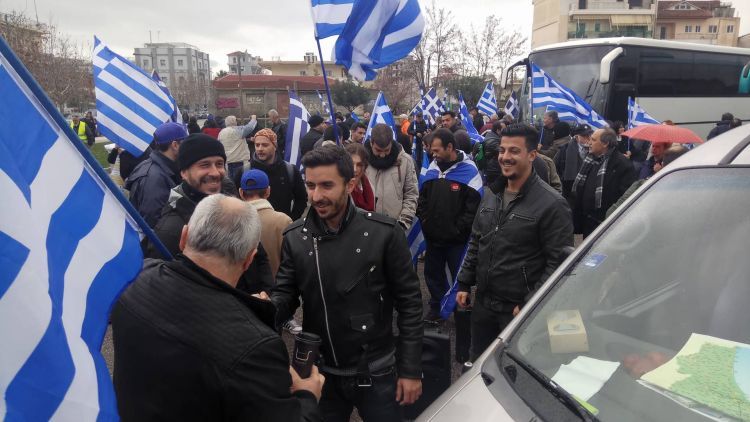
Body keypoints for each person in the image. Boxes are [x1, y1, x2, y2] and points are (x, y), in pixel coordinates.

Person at [112, 194, 324, 422]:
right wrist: (307, 395)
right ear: (249, 259)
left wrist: (246, 311)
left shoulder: (136, 278)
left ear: (184, 237)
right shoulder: (255, 345)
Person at [272, 145, 423, 421]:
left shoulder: (385, 233)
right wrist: (260, 310)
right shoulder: (295, 237)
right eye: (310, 186)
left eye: (327, 185)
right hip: (321, 373)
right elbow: (285, 295)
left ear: (350, 184)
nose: (317, 196)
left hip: (377, 370)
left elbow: (410, 304)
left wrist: (411, 369)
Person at [456, 123, 574, 360]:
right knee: (479, 363)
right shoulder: (491, 195)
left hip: (518, 311)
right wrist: (464, 283)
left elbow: (559, 263)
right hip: (484, 306)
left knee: (512, 370)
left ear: (532, 155)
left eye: (514, 151)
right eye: (502, 150)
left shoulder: (552, 204)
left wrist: (531, 304)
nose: (505, 157)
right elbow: (477, 241)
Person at [145, 133, 276, 295]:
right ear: (184, 172)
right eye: (204, 165)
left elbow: (258, 255)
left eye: (219, 164)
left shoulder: (231, 205)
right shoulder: (171, 229)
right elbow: (169, 293)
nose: (215, 172)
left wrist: (267, 296)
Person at [417, 128, 482, 321]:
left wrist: (458, 229)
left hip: (457, 241)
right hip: (433, 238)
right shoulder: (432, 169)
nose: (433, 154)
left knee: (460, 277)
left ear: (450, 147)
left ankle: (462, 310)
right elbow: (422, 200)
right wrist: (426, 222)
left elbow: (473, 208)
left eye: (437, 150)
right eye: (432, 150)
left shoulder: (469, 171)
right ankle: (436, 307)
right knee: (433, 274)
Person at [571, 128, 637, 237]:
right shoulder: (591, 160)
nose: (589, 143)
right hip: (588, 222)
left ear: (605, 143)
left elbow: (626, 197)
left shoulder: (622, 165)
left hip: (607, 225)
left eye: (593, 140)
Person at [125, 122, 186, 227]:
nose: (188, 147)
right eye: (185, 143)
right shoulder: (154, 179)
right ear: (175, 145)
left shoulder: (159, 167)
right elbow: (153, 223)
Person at [607, 145, 689, 217]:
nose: (653, 149)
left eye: (657, 147)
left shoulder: (642, 185)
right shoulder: (647, 164)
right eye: (653, 146)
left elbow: (612, 213)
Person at [238, 169, 293, 276]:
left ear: (241, 192)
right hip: (279, 284)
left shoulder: (232, 222)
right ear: (268, 191)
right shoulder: (283, 221)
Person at [364, 123, 419, 230]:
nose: (382, 155)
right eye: (378, 150)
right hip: (366, 227)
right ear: (371, 143)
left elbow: (411, 194)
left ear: (392, 143)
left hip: (395, 227)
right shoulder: (361, 160)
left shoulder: (406, 161)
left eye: (386, 150)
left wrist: (403, 223)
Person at [246, 128, 308, 220]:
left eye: (265, 145)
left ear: (275, 146)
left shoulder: (290, 170)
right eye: (257, 145)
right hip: (252, 226)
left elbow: (301, 198)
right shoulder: (245, 171)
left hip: (283, 226)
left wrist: (291, 220)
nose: (260, 149)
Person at [555, 123, 592, 202]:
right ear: (577, 137)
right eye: (585, 136)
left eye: (590, 135)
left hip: (587, 189)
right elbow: (555, 166)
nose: (588, 138)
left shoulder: (594, 150)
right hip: (568, 188)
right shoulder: (565, 149)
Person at [345, 142, 375, 211]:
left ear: (365, 166)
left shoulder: (369, 184)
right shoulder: (342, 189)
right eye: (351, 163)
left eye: (359, 165)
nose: (354, 169)